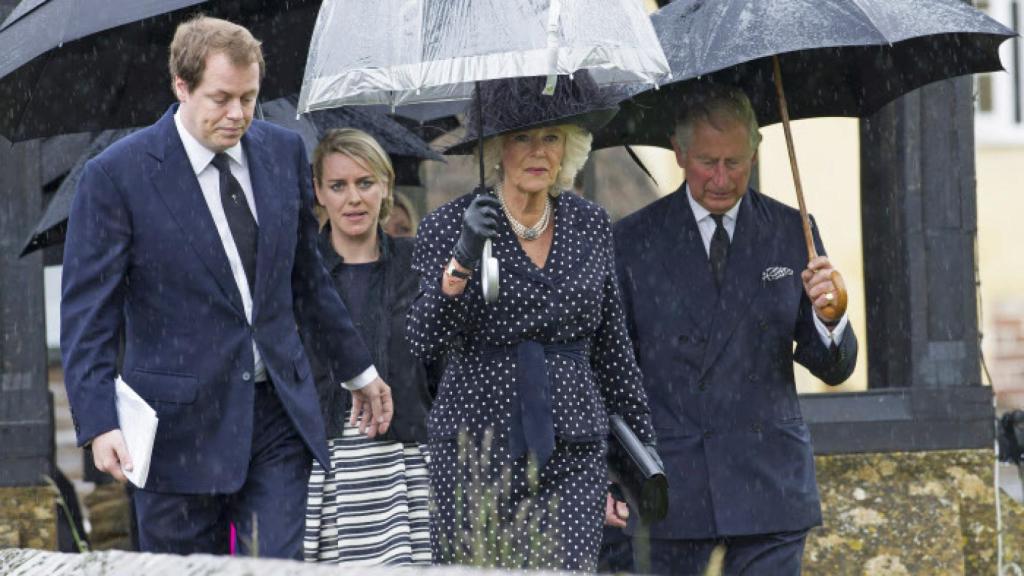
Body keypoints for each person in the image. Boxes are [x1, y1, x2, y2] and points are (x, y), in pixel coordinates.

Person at [60, 16, 393, 559]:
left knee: (275, 566)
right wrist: (99, 423)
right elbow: (86, 317)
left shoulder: (283, 151)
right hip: (174, 432)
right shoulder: (116, 177)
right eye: (221, 98)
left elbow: (305, 277)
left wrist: (359, 369)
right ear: (181, 86)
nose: (238, 114)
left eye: (249, 97)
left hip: (276, 418)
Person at [406, 73, 656, 572]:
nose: (537, 151)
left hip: (574, 448)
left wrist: (639, 460)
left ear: (570, 148)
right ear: (497, 147)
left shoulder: (590, 224)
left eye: (551, 137)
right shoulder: (447, 226)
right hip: (476, 449)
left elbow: (612, 351)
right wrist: (462, 258)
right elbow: (423, 340)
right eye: (522, 137)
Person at [612, 83, 858, 575]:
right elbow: (616, 370)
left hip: (769, 480)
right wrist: (615, 474)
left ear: (755, 151)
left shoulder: (793, 231)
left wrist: (830, 319)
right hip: (671, 485)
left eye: (735, 162)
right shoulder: (633, 239)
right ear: (679, 153)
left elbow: (833, 366)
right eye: (708, 162)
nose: (721, 179)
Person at [302, 128, 435, 565]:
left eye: (365, 183)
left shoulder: (419, 265)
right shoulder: (301, 275)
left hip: (406, 461)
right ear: (319, 191)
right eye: (338, 186)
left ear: (386, 186)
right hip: (330, 461)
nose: (353, 198)